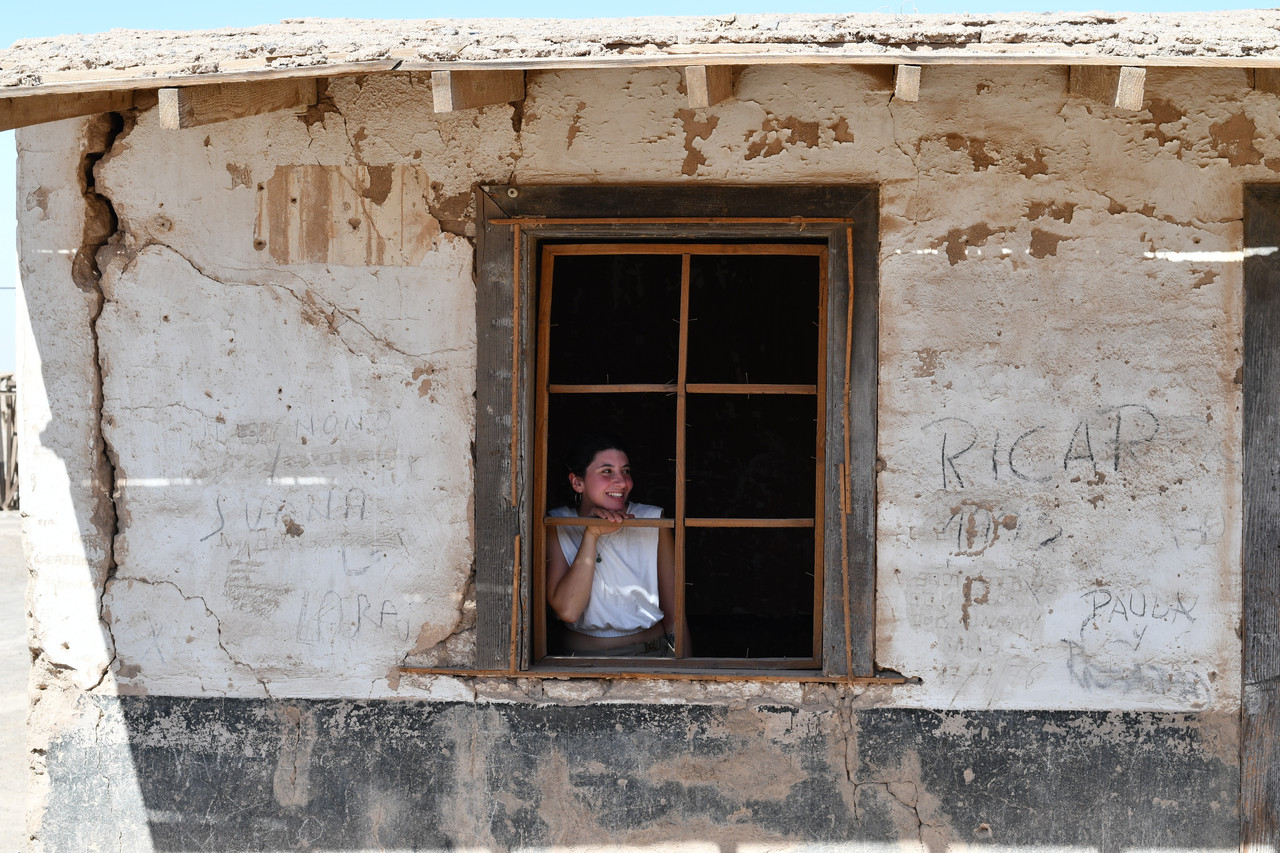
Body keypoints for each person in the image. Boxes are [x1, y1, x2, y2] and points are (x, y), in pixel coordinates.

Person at [546, 433, 679, 656]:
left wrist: (682, 669)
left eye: (625, 471)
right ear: (577, 482)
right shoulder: (557, 523)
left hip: (651, 655)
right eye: (607, 471)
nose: (622, 482)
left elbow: (675, 614)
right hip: (579, 660)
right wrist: (592, 534)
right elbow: (568, 611)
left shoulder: (652, 519)